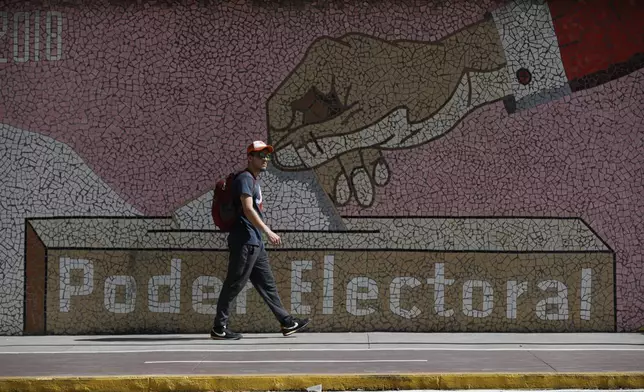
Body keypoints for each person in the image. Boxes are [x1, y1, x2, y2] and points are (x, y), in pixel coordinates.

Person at [211, 140, 310, 340]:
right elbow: (248, 209)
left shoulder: (253, 180)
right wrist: (267, 231)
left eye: (267, 156)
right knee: (234, 284)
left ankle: (286, 322)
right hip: (245, 240)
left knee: (268, 285)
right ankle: (219, 328)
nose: (265, 159)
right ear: (250, 158)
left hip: (254, 242)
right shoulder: (245, 179)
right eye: (260, 156)